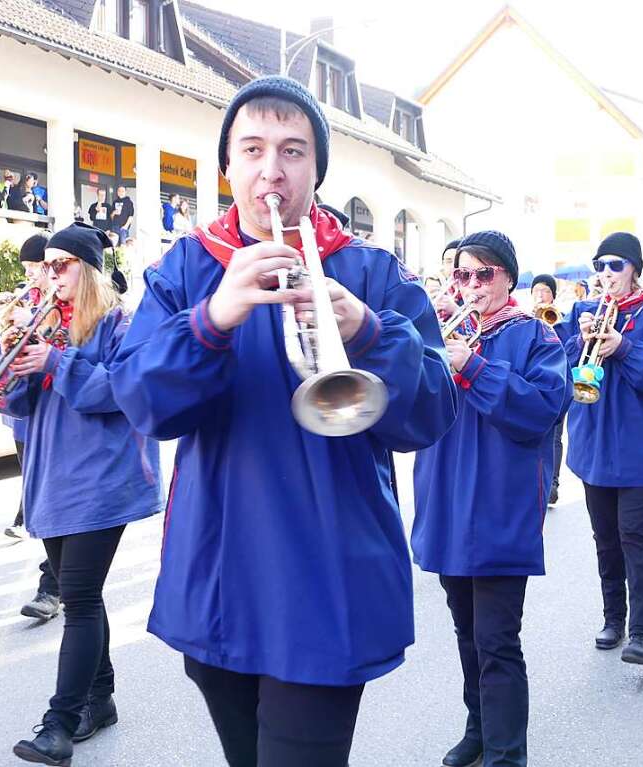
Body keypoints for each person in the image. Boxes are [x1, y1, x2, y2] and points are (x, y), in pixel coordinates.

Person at [110, 75, 457, 767]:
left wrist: (369, 332)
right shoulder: (184, 268)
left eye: (293, 151)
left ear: (317, 171)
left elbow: (431, 415)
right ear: (227, 167)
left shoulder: (372, 271)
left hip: (329, 575)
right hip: (218, 571)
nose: (272, 170)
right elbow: (144, 402)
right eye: (254, 149)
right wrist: (210, 319)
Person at [3, 222, 162, 765]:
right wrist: (10, 369)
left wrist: (53, 362)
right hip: (52, 482)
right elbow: (21, 407)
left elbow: (124, 390)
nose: (48, 275)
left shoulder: (121, 323)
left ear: (88, 270)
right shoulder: (48, 326)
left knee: (81, 597)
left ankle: (60, 722)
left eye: (59, 264)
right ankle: (101, 698)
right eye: (45, 265)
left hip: (100, 483)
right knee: (79, 596)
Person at [413, 231, 570, 767]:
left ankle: (508, 754)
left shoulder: (535, 337)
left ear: (508, 276)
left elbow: (542, 410)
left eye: (484, 275)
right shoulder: (442, 332)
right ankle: (479, 730)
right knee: (465, 632)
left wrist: (473, 367)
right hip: (449, 503)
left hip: (501, 508)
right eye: (463, 275)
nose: (472, 286)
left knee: (498, 639)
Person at [557, 232, 643, 665]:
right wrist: (578, 342)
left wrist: (624, 346)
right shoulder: (582, 312)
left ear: (634, 268)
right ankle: (613, 618)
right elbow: (561, 372)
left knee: (634, 534)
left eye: (616, 265)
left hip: (638, 447)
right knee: (605, 538)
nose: (607, 274)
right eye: (601, 266)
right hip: (593, 444)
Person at [0, 235, 63, 622]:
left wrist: (31, 325)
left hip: (57, 422)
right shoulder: (29, 303)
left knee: (53, 504)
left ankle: (51, 586)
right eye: (30, 267)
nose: (31, 274)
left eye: (39, 267)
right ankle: (57, 579)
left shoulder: (62, 310)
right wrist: (0, 331)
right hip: (23, 419)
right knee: (37, 499)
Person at [531, 273, 564, 505]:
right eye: (537, 291)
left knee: (556, 436)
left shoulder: (560, 318)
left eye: (545, 291)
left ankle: (553, 481)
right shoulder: (526, 319)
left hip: (558, 383)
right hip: (536, 384)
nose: (541, 295)